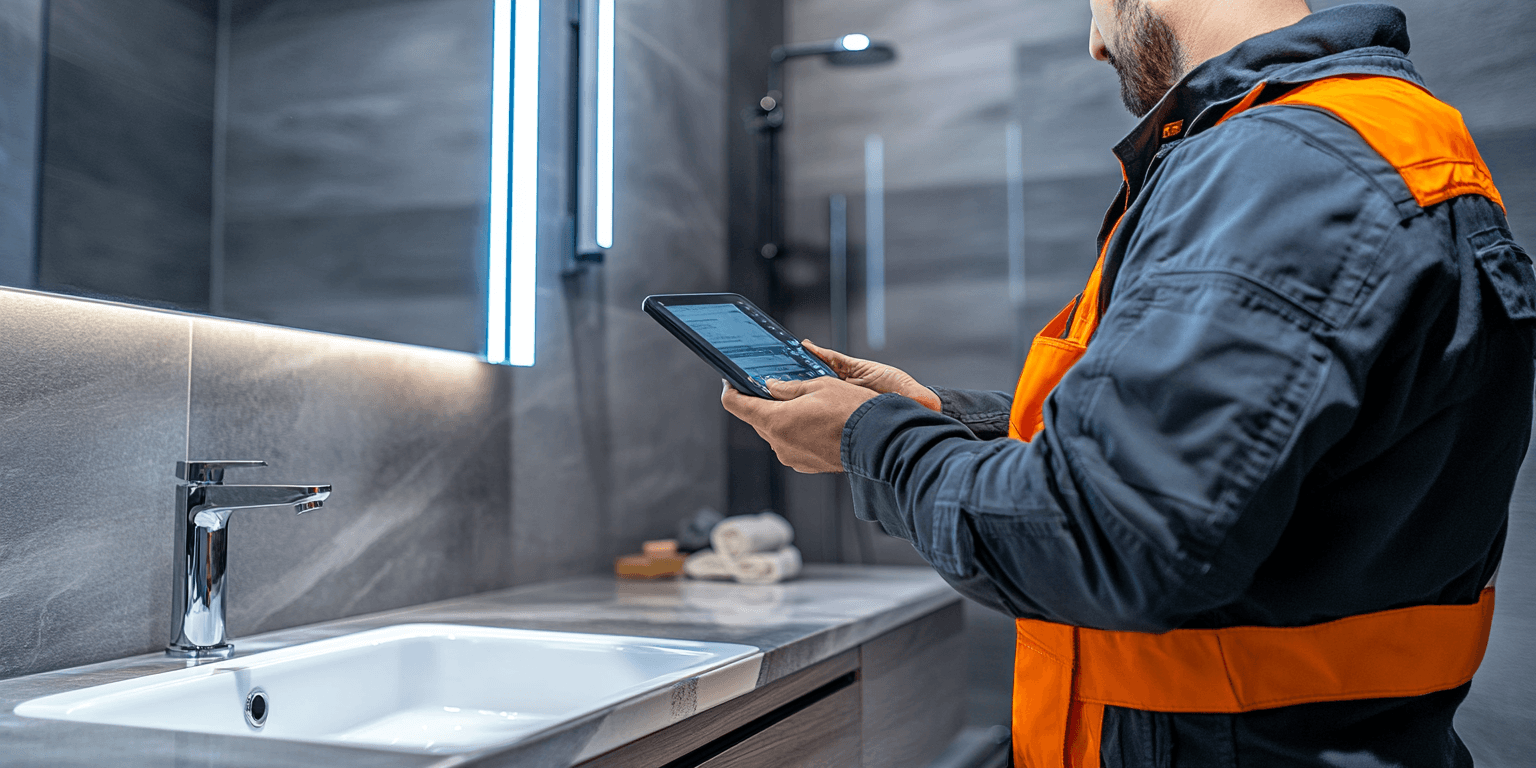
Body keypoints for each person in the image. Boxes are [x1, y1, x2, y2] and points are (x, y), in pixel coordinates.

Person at [722, 1, 1532, 766]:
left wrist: (868, 442)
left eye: (1095, 5)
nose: (1096, 43)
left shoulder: (1282, 165)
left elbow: (1100, 540)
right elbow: (1196, 459)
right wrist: (935, 418)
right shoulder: (1346, 145)